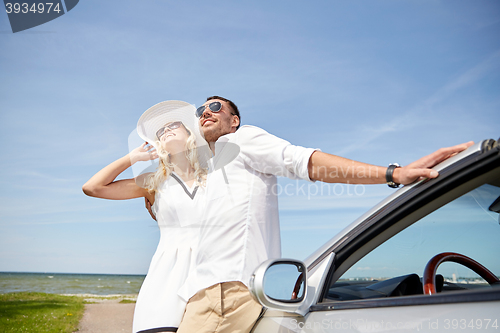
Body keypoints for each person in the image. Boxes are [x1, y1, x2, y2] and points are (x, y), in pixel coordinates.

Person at [141, 96, 472, 333]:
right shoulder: (211, 169)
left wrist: (392, 174)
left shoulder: (241, 140)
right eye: (200, 110)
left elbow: (304, 162)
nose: (206, 113)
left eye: (216, 107)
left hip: (225, 292)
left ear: (234, 120)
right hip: (206, 293)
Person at [83, 100, 210, 333]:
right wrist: (132, 157)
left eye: (173, 125)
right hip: (166, 281)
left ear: (190, 133)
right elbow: (93, 187)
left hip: (210, 276)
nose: (166, 130)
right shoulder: (153, 182)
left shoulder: (214, 179)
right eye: (160, 131)